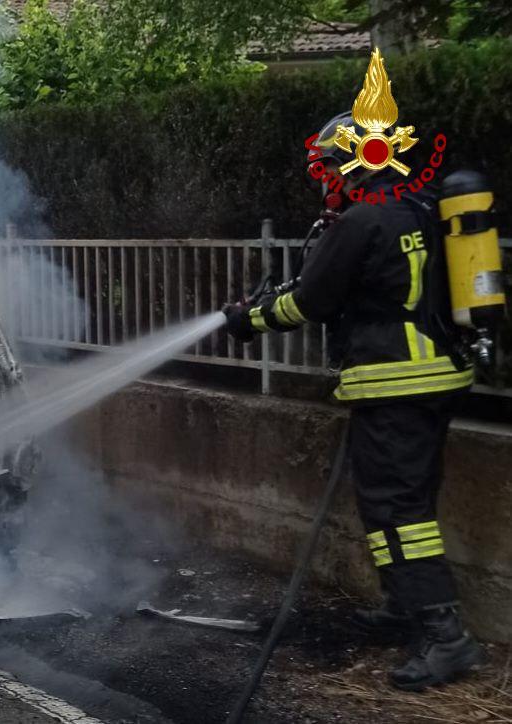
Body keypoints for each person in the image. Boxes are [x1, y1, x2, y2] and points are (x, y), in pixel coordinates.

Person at [223, 111, 483, 691]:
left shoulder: (361, 221)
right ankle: (404, 610)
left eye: (329, 166)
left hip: (396, 383)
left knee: (400, 515)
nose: (326, 179)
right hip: (437, 380)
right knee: (404, 504)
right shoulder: (419, 208)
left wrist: (247, 320)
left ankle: (446, 638)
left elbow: (309, 302)